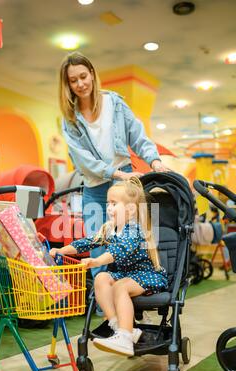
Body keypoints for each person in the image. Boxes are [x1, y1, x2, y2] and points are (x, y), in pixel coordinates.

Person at [58, 52, 168, 315]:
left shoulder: (115, 104)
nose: (80, 83)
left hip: (127, 182)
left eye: (83, 76)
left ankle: (132, 298)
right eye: (73, 80)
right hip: (97, 189)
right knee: (99, 247)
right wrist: (115, 173)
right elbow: (82, 161)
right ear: (68, 85)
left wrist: (154, 162)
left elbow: (138, 136)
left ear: (93, 74)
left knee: (137, 242)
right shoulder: (70, 119)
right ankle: (107, 316)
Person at [50, 177, 168, 357]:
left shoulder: (134, 230)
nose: (109, 208)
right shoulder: (111, 228)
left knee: (119, 286)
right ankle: (117, 325)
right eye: (108, 203)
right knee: (101, 278)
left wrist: (96, 261)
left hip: (146, 275)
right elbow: (87, 243)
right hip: (125, 274)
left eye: (114, 203)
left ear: (130, 209)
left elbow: (118, 251)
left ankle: (125, 337)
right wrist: (62, 250)